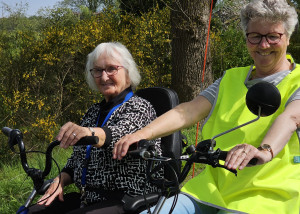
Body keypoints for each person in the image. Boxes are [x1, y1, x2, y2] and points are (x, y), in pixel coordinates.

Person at [113, 0, 300, 213]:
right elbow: (188, 111)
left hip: (267, 195)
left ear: (288, 37)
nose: (263, 45)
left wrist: (264, 151)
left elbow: (291, 118)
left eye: (273, 36)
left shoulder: (298, 80)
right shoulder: (230, 78)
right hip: (212, 189)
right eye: (255, 36)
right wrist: (142, 133)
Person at [28, 42, 162, 214]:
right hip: (88, 197)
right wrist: (60, 180)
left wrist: (87, 132)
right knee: (31, 211)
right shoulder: (93, 112)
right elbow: (77, 159)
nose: (104, 77)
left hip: (126, 198)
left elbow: (116, 135)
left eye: (111, 69)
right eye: (98, 70)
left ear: (128, 72)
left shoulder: (139, 107)